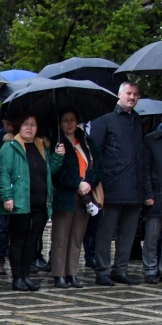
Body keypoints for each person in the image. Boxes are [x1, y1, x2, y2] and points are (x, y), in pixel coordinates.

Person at [87, 81, 154, 285]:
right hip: (111, 187)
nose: (132, 97)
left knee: (128, 233)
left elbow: (141, 158)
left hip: (134, 188)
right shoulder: (105, 121)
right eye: (128, 93)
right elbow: (94, 156)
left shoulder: (137, 121)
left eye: (135, 94)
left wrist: (146, 190)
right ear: (119, 94)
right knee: (106, 232)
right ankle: (102, 271)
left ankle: (120, 269)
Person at [0, 114, 59, 292]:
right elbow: (4, 173)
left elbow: (47, 171)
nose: (29, 128)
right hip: (20, 201)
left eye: (33, 125)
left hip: (39, 201)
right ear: (18, 127)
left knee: (32, 240)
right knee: (17, 240)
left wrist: (58, 158)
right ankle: (17, 278)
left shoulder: (41, 147)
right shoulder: (10, 147)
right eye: (25, 124)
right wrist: (7, 196)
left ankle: (26, 275)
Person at [49, 110, 100, 288]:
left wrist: (88, 183)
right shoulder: (56, 142)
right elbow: (57, 173)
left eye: (72, 120)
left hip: (85, 197)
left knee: (77, 237)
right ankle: (59, 274)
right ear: (60, 123)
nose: (69, 124)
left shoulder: (87, 141)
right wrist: (77, 183)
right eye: (65, 121)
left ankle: (72, 272)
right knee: (61, 237)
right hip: (65, 196)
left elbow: (98, 166)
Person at [146, 118, 162, 281]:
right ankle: (150, 269)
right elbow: (146, 169)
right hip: (156, 194)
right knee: (152, 235)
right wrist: (148, 193)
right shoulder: (151, 140)